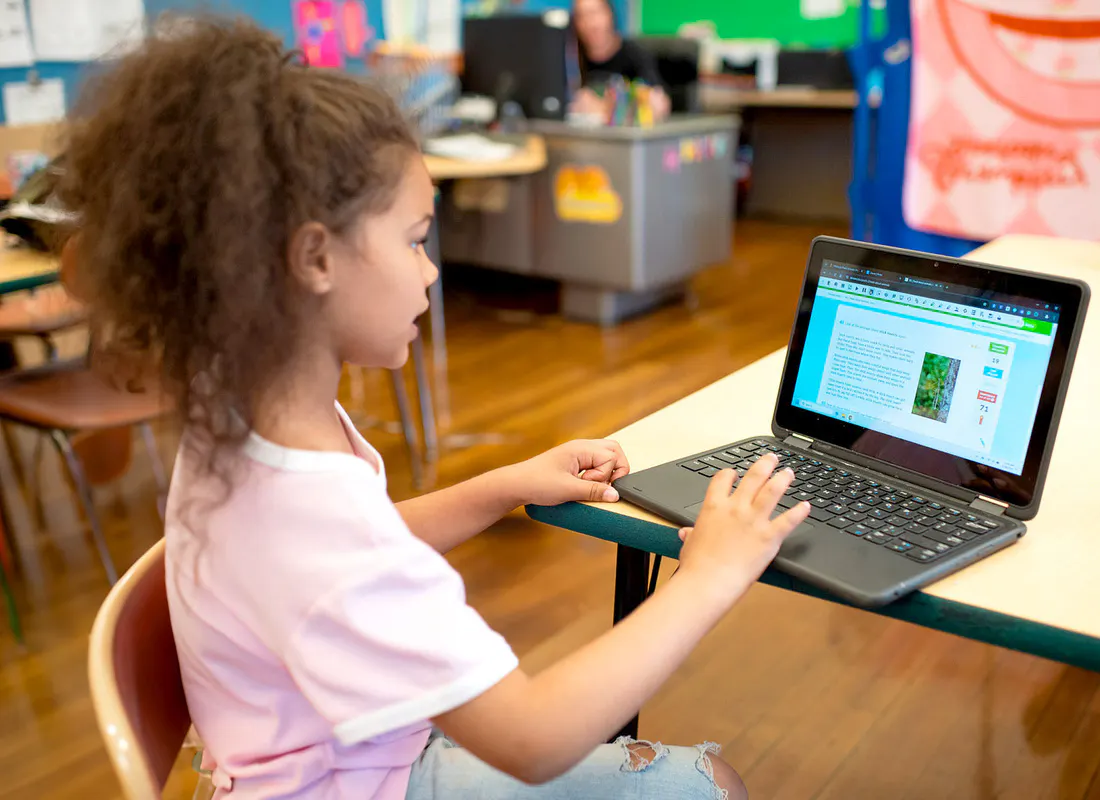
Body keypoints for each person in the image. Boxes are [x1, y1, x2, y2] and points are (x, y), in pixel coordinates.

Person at [60, 17, 809, 800]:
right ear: (314, 257)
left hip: (328, 762)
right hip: (370, 783)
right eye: (416, 240)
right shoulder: (312, 513)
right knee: (713, 784)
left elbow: (359, 548)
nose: (429, 274)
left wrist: (503, 485)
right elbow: (533, 735)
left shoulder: (242, 424)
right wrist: (710, 575)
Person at [571, 0, 672, 120]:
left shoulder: (635, 55)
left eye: (595, 13)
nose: (590, 23)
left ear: (610, 14)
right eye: (581, 16)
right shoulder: (571, 59)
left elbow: (660, 103)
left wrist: (608, 108)